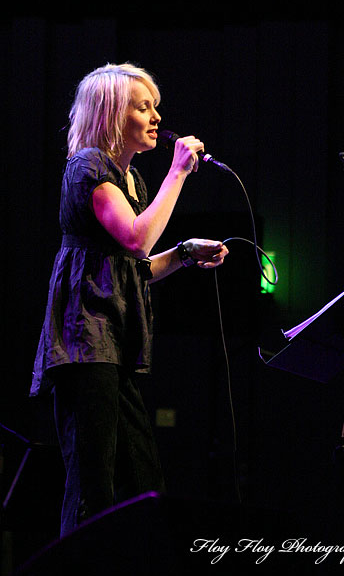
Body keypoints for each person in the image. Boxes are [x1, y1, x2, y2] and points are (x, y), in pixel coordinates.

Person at [30, 62, 228, 537]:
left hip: (114, 346)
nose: (157, 116)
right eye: (144, 107)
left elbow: (133, 269)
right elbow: (137, 240)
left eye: (156, 106)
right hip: (84, 345)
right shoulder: (89, 167)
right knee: (93, 488)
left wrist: (182, 254)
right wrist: (178, 172)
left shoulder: (132, 180)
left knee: (141, 482)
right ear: (114, 114)